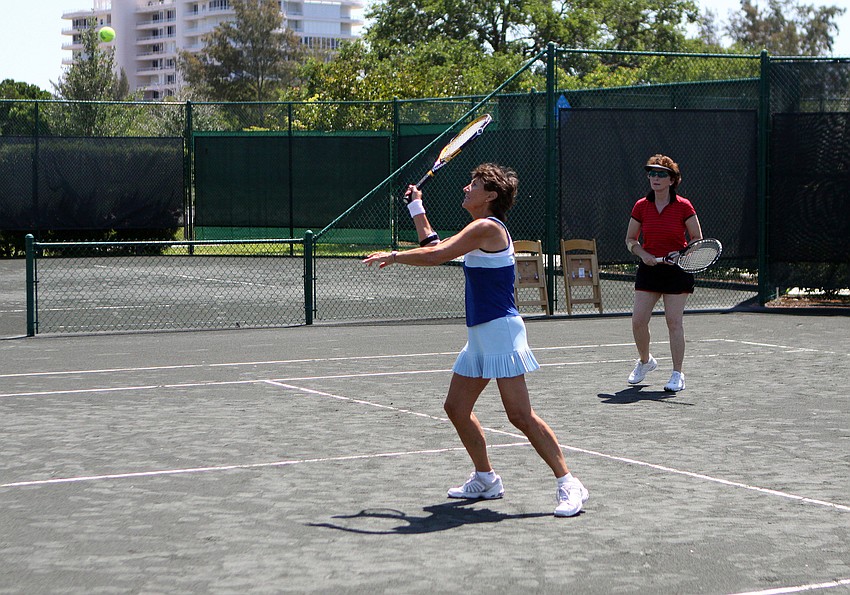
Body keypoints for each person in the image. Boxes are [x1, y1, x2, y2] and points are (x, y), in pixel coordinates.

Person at [363, 163, 588, 517]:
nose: (466, 188)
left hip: (501, 330)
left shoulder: (486, 227)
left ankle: (569, 483)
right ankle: (486, 478)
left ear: (491, 196)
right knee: (456, 408)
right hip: (480, 333)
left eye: (474, 185)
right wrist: (416, 208)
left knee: (520, 415)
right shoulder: (476, 229)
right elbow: (436, 245)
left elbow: (435, 255)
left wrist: (394, 256)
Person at [624, 154, 703, 392]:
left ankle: (677, 374)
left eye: (661, 174)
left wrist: (682, 255)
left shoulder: (683, 205)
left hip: (676, 271)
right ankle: (646, 362)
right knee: (638, 321)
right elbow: (630, 239)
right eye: (652, 173)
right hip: (649, 270)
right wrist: (642, 253)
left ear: (672, 179)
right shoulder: (641, 206)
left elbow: (697, 239)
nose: (655, 178)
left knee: (673, 322)